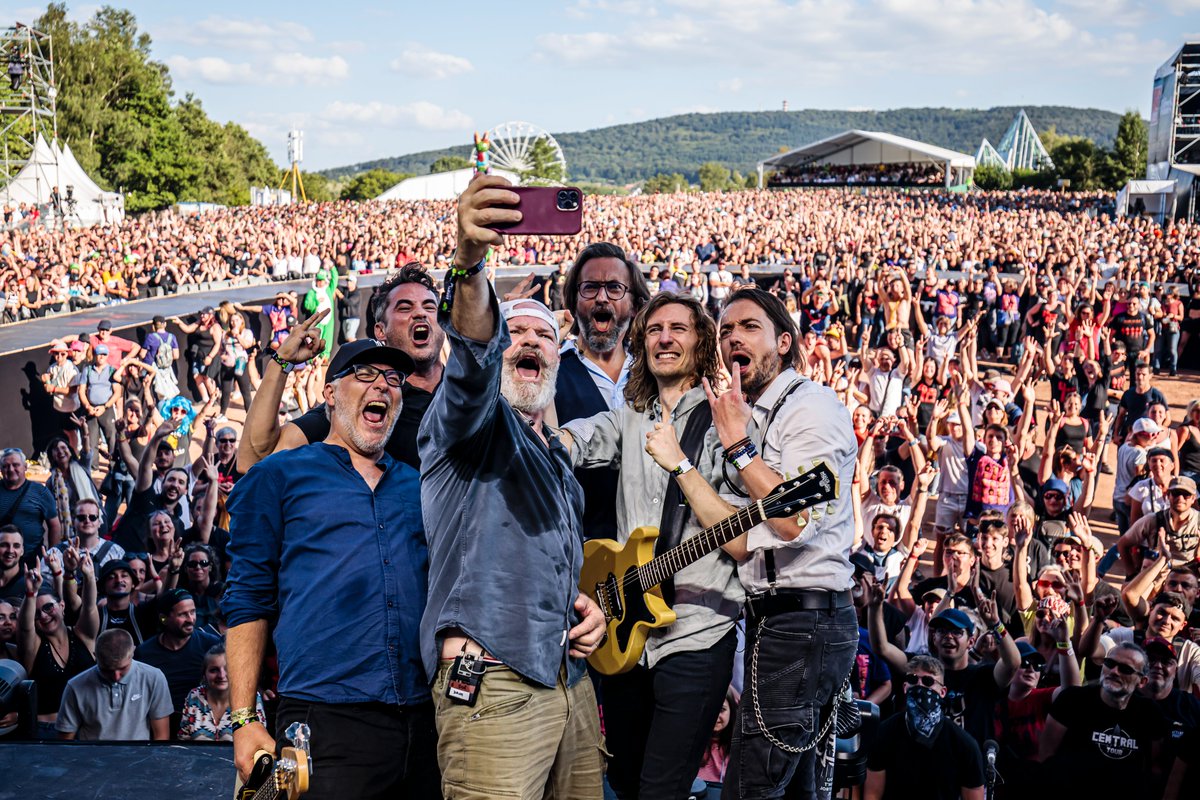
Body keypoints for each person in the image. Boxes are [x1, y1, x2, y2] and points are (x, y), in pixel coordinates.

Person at [418, 175, 607, 799]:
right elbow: (471, 356)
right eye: (514, 335)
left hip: (567, 680)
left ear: (558, 360)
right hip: (492, 683)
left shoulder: (557, 461)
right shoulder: (468, 429)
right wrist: (470, 264)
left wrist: (584, 612)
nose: (528, 342)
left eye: (543, 336)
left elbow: (540, 569)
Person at [645, 286, 859, 798]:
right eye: (725, 331)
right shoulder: (755, 417)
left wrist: (737, 448)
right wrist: (684, 466)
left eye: (749, 327)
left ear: (784, 342)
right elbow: (742, 543)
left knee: (750, 788)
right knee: (792, 791)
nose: (733, 337)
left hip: (804, 623)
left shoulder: (810, 408)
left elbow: (795, 520)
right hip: (780, 621)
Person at [225, 338, 440, 799]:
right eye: (364, 375)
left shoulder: (419, 485)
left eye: (392, 379)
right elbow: (247, 598)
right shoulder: (281, 475)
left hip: (426, 721)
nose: (381, 385)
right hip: (325, 721)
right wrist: (243, 719)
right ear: (329, 393)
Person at [560, 292, 742, 799]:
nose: (665, 338)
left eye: (678, 329)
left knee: (662, 786)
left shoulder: (723, 418)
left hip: (697, 632)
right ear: (641, 342)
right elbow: (586, 436)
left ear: (701, 341)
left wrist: (679, 463)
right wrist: (556, 443)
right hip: (626, 630)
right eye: (655, 329)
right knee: (623, 777)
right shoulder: (630, 414)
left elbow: (741, 531)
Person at [239, 263, 445, 473]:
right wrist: (281, 362)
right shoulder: (364, 399)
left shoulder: (471, 387)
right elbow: (253, 462)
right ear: (380, 330)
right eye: (405, 307)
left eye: (429, 307)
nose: (420, 313)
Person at [555, 241, 651, 541]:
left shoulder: (656, 375)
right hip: (576, 551)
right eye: (590, 288)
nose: (601, 298)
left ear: (634, 303)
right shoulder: (550, 371)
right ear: (573, 301)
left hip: (651, 555)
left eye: (614, 288)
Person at [1039, 642, 1169, 799]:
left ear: (1142, 682)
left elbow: (1155, 769)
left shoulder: (1150, 713)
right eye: (1110, 663)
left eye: (1125, 669)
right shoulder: (1073, 700)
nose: (1114, 671)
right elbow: (1046, 756)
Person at [864, 655, 985, 800]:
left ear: (942, 692)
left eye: (928, 681)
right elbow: (872, 794)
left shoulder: (964, 744)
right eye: (913, 680)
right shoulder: (884, 732)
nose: (920, 686)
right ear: (905, 687)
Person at [18, 550, 98, 738]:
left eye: (48, 607)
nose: (44, 616)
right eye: (37, 614)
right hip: (47, 731)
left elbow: (89, 606)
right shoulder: (34, 645)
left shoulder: (83, 635)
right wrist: (31, 592)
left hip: (87, 726)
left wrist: (88, 576)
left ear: (61, 606)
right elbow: (24, 629)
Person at [57, 629, 172, 741]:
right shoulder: (75, 686)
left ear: (133, 652)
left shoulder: (154, 678)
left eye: (122, 668)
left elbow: (161, 737)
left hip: (139, 758)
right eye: (107, 670)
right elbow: (66, 742)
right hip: (92, 758)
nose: (116, 676)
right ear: (95, 656)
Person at [133, 588, 222, 728]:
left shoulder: (211, 645)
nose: (191, 619)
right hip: (159, 723)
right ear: (164, 618)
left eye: (192, 612)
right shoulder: (144, 653)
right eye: (183, 614)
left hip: (204, 724)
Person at [179, 643, 265, 741]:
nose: (221, 675)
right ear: (204, 673)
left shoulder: (248, 698)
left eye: (227, 669)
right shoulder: (194, 696)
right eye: (214, 670)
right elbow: (184, 739)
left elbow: (257, 741)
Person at [0, 448, 61, 554]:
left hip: (31, 557)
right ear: (0, 470)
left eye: (15, 465)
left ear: (25, 467)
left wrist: (52, 554)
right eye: (5, 466)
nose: (10, 469)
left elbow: (54, 525)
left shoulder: (40, 492)